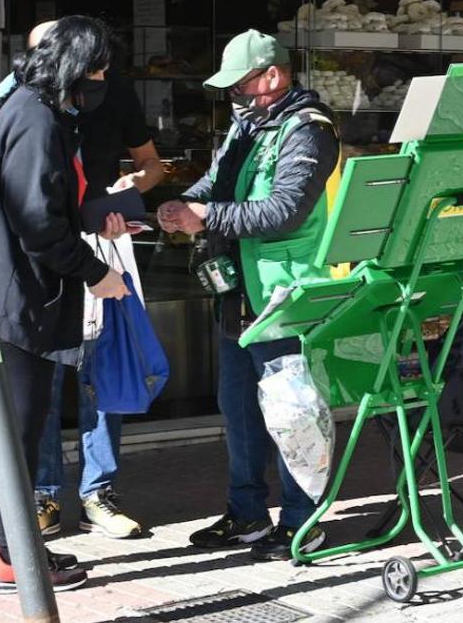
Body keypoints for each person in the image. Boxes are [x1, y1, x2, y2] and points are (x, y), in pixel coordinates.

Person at [0, 15, 129, 594]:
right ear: (76, 64)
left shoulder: (30, 107)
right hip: (11, 298)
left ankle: (6, 546)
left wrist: (97, 213)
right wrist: (97, 274)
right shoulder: (34, 118)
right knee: (16, 431)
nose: (102, 78)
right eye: (98, 67)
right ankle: (14, 558)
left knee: (12, 428)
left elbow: (46, 204)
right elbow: (39, 228)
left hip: (3, 292)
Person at [158, 29, 340, 562]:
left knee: (291, 413)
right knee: (238, 408)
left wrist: (206, 216)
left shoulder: (309, 131)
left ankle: (304, 523)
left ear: (273, 77)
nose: (232, 97)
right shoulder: (247, 127)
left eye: (240, 87)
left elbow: (285, 210)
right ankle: (248, 515)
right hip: (237, 292)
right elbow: (214, 184)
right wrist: (178, 206)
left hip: (285, 294)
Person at [32, 37, 164, 540]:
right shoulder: (31, 104)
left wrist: (127, 192)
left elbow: (151, 167)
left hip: (103, 247)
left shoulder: (115, 96)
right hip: (49, 257)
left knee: (104, 365)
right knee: (45, 376)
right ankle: (43, 493)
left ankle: (98, 492)